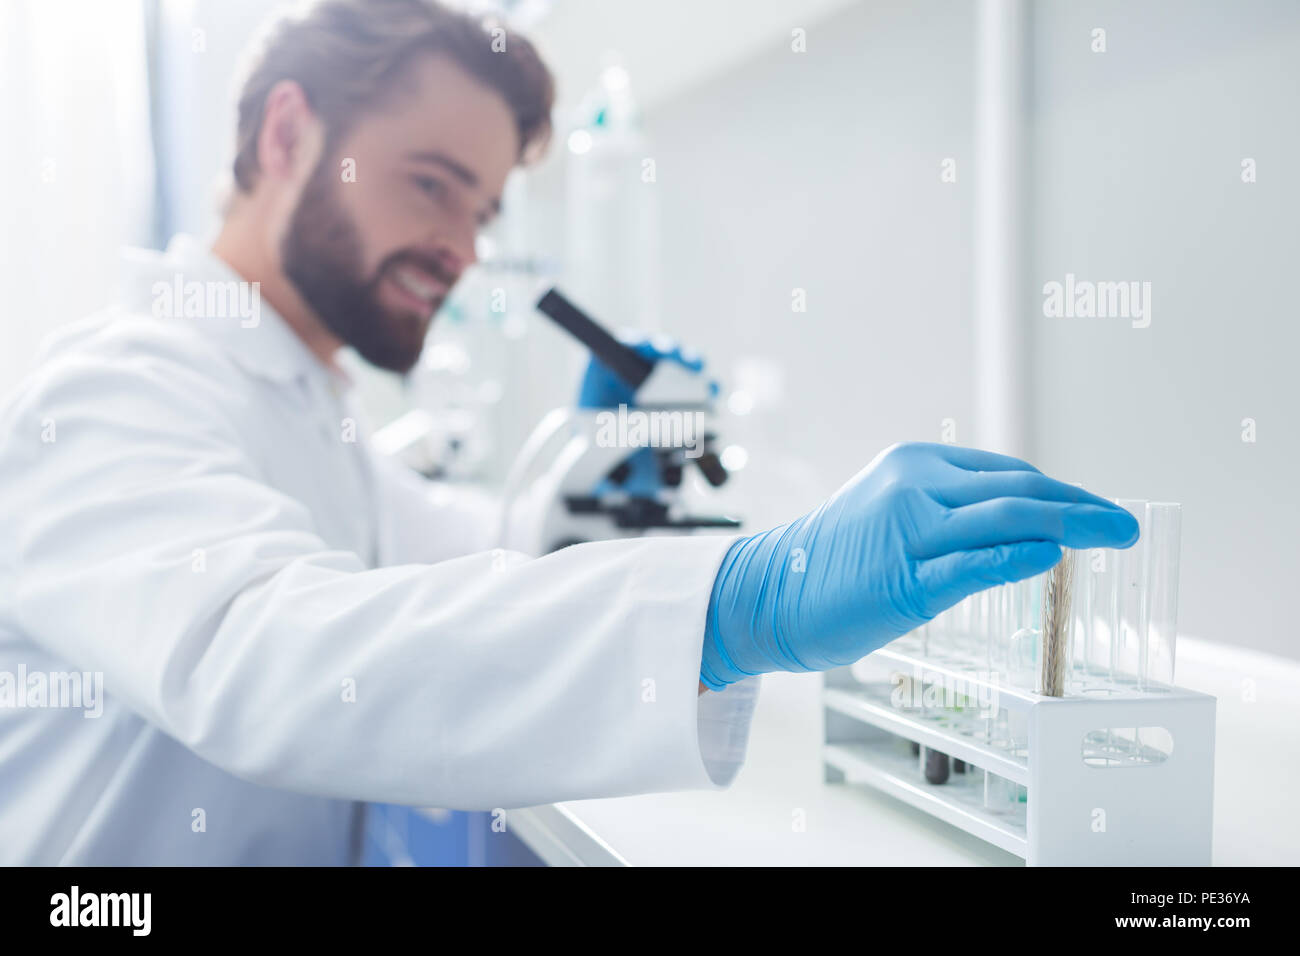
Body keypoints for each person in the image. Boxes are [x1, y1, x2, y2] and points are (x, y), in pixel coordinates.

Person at [0, 0, 1137, 864]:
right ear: (291, 134)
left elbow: (450, 546)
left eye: (481, 211)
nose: (460, 247)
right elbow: (267, 648)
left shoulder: (307, 403)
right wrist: (745, 595)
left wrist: (585, 468)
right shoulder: (115, 390)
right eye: (432, 185)